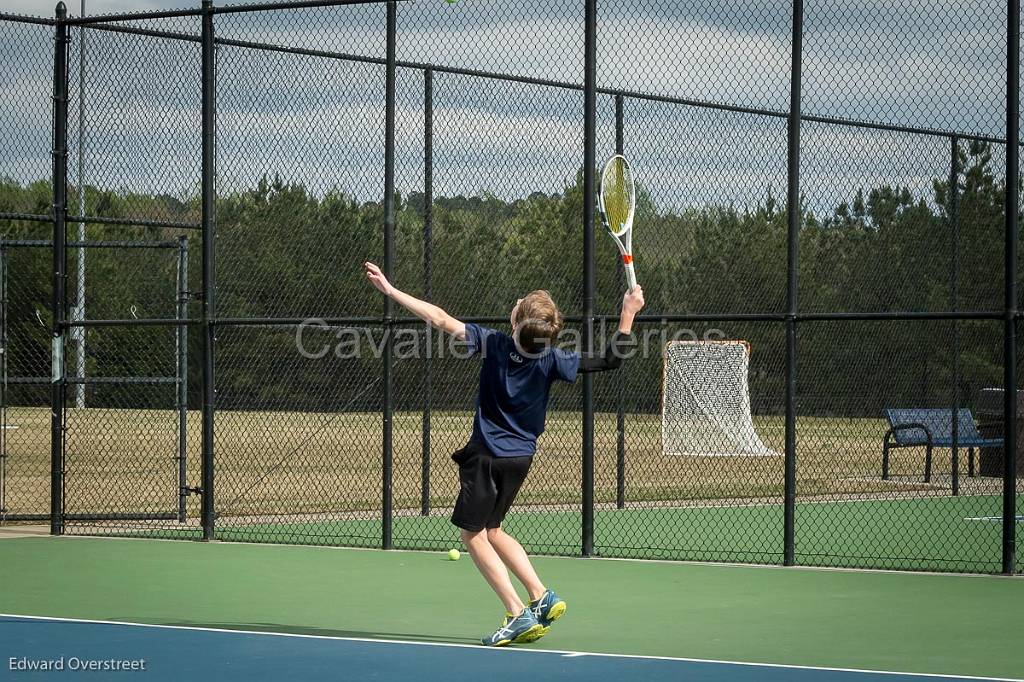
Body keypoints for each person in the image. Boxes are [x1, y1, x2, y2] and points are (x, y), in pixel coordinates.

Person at [363, 261, 645, 646]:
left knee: (472, 534)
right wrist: (628, 313)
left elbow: (440, 318)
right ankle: (541, 595)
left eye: (520, 304)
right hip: (521, 459)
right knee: (493, 529)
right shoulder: (552, 359)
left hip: (486, 457)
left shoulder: (493, 343)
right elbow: (613, 359)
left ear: (516, 323)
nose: (516, 302)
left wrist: (392, 292)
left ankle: (515, 613)